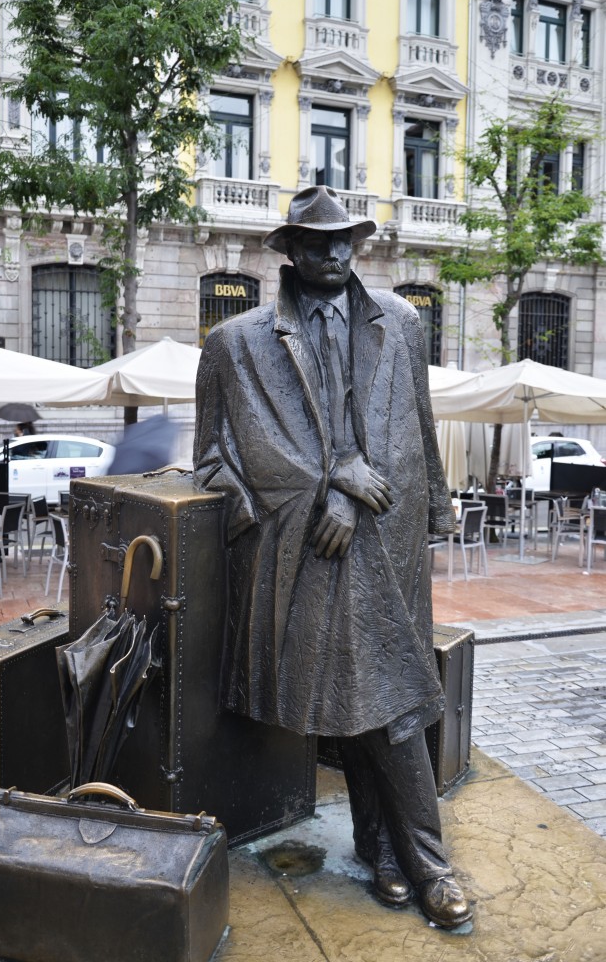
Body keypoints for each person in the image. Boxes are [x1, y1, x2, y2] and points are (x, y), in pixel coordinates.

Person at [193, 186, 471, 929]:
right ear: (288, 249)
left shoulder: (402, 321)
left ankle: (384, 850)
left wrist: (428, 511)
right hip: (310, 547)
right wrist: (328, 481)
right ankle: (427, 864)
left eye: (346, 238)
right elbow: (215, 462)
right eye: (317, 241)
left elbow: (415, 422)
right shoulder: (235, 344)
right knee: (386, 697)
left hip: (389, 536)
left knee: (371, 694)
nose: (335, 253)